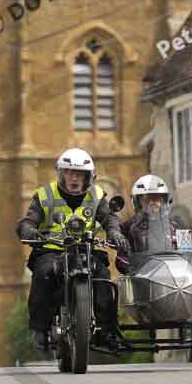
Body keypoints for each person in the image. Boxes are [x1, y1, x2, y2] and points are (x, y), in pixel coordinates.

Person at [16, 148, 128, 350]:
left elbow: (110, 218)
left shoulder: (97, 195)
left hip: (87, 249)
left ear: (89, 177)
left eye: (79, 174)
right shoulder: (45, 195)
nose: (74, 178)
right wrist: (30, 232)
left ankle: (107, 330)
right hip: (52, 250)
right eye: (69, 172)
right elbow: (28, 221)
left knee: (102, 276)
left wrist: (115, 233)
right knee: (43, 273)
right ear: (61, 174)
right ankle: (40, 329)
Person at [117, 174, 184, 273]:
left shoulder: (176, 224)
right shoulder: (129, 226)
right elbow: (121, 259)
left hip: (174, 277)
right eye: (147, 200)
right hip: (143, 280)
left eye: (156, 199)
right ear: (138, 203)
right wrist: (133, 270)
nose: (152, 203)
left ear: (164, 201)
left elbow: (188, 251)